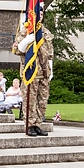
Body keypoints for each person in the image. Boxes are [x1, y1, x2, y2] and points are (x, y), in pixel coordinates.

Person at [14, 8, 54, 137]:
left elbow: (50, 54)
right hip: (31, 71)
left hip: (44, 71)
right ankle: (29, 125)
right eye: (38, 14)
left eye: (42, 14)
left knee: (42, 100)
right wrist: (27, 39)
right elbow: (18, 49)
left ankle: (37, 124)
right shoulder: (25, 31)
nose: (40, 16)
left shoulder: (46, 32)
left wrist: (50, 70)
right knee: (30, 100)